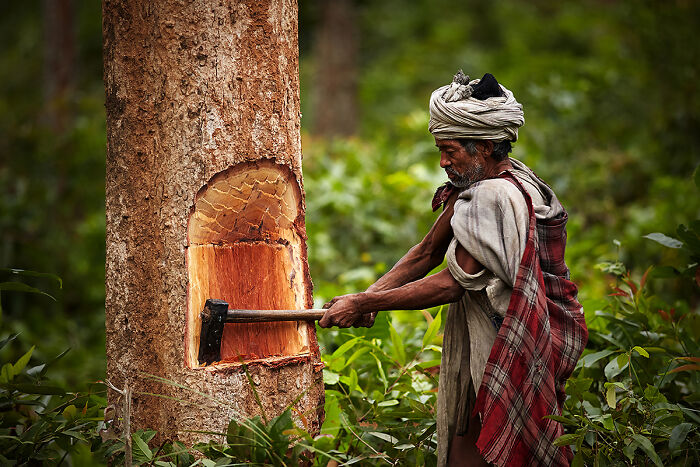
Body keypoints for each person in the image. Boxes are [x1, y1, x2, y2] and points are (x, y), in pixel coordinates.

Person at [319, 71, 588, 467]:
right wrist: (369, 297)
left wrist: (360, 304)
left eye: (450, 150)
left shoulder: (495, 195)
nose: (443, 161)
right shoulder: (493, 176)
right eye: (439, 150)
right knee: (476, 439)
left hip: (511, 334)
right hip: (512, 328)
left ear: (485, 145)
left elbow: (450, 284)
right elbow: (427, 252)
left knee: (494, 444)